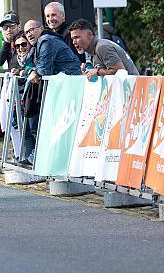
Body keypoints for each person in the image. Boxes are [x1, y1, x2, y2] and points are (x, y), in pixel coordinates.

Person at [18, 20, 81, 165]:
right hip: (63, 88)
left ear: (41, 28)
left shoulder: (46, 40)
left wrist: (32, 72)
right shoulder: (41, 43)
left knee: (59, 127)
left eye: (31, 30)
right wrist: (31, 71)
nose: (29, 34)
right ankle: (39, 158)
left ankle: (44, 160)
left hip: (70, 87)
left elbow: (42, 70)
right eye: (26, 32)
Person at [69, 18, 139, 79]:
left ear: (89, 34)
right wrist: (88, 71)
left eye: (77, 37)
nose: (74, 42)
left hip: (133, 90)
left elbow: (120, 72)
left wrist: (97, 72)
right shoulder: (93, 50)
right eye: (72, 38)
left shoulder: (102, 47)